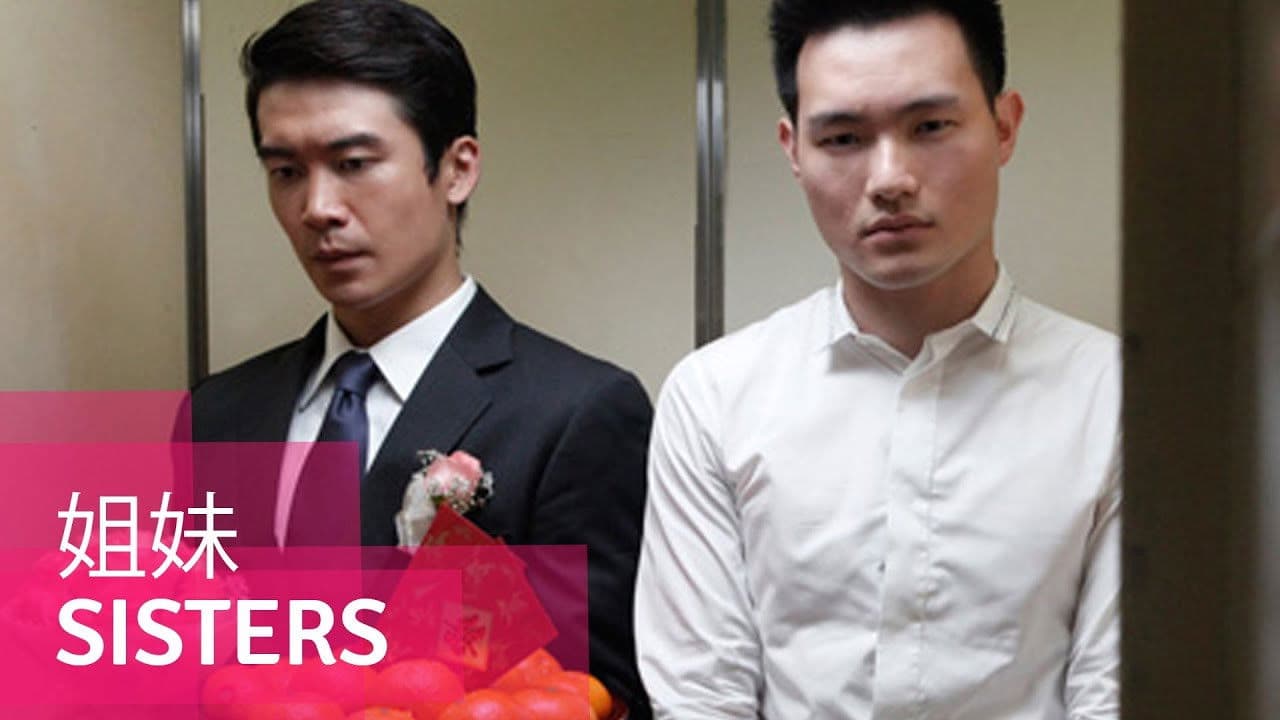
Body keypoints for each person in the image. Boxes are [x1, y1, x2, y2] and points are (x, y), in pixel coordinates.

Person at [634, 1, 1120, 717]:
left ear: (1005, 125)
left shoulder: (1115, 397)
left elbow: (1117, 692)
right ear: (793, 150)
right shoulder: (714, 397)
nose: (890, 178)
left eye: (930, 126)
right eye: (843, 138)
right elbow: (702, 697)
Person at [189, 0, 651, 713]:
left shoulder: (575, 413)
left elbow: (600, 693)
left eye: (353, 164)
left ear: (457, 169)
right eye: (285, 171)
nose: (317, 207)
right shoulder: (218, 414)